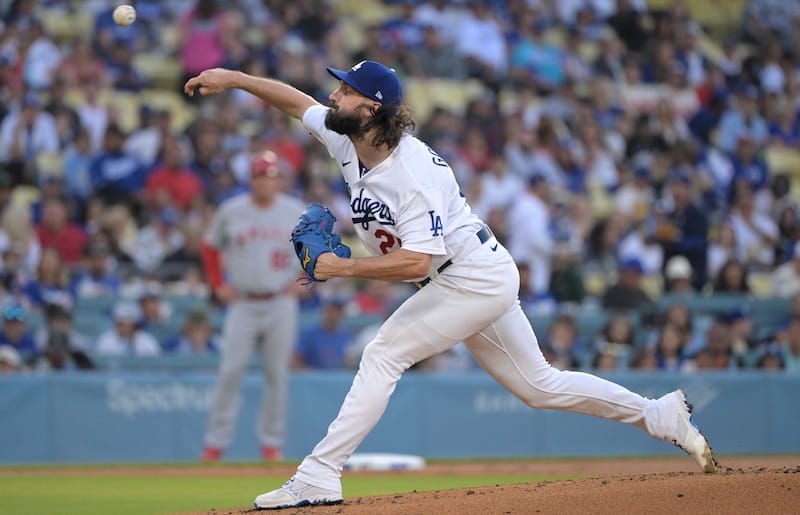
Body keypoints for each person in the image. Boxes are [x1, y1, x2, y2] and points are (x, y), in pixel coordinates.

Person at [185, 59, 717, 510]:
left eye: (344, 90)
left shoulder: (409, 173)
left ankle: (319, 474)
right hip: (470, 274)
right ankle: (657, 413)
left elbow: (418, 261)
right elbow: (295, 101)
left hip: (468, 277)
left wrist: (341, 269)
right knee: (539, 386)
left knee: (383, 354)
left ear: (370, 109)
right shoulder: (350, 136)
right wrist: (234, 78)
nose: (333, 95)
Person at [199, 149, 305, 463]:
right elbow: (209, 247)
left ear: (278, 180)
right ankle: (215, 443)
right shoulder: (232, 210)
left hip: (280, 302)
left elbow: (318, 248)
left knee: (277, 375)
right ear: (251, 179)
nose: (264, 182)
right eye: (259, 176)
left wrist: (303, 279)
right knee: (230, 371)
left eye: (269, 176)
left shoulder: (295, 211)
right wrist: (218, 284)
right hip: (243, 302)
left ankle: (271, 444)